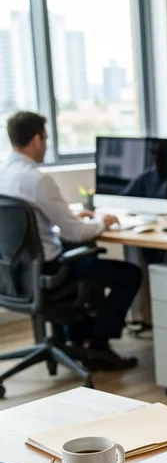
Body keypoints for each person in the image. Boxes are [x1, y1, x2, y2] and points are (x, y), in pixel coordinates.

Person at [0, 112, 141, 370]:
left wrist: (72, 217)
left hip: (14, 274)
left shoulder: (4, 174)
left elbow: (30, 224)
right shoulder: (37, 180)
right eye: (46, 138)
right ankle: (98, 343)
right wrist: (103, 222)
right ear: (35, 140)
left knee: (86, 255)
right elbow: (75, 233)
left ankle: (74, 336)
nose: (46, 144)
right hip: (50, 272)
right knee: (130, 274)